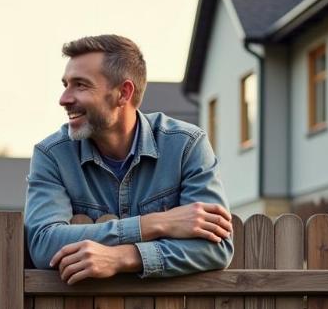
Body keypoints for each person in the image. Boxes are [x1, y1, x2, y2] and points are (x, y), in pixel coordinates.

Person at [25, 34, 233, 283]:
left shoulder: (186, 145)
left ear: (123, 93)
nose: (64, 99)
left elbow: (216, 248)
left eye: (80, 85)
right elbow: (43, 244)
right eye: (65, 84)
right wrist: (154, 224)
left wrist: (124, 257)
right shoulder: (52, 155)